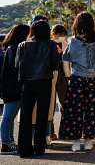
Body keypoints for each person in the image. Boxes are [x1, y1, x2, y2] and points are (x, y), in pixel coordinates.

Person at [58, 12, 95, 152]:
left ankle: (75, 142)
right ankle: (88, 140)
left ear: (77, 24)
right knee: (92, 109)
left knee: (75, 109)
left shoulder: (73, 41)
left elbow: (66, 57)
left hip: (77, 79)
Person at [16, 19, 60, 158]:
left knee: (25, 116)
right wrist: (46, 70)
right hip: (44, 81)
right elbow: (55, 63)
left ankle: (24, 148)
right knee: (42, 115)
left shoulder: (22, 45)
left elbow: (18, 64)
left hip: (27, 83)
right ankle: (39, 147)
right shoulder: (50, 44)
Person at [0, 24, 30, 155]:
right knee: (7, 117)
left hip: (11, 87)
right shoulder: (13, 49)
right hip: (12, 88)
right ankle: (5, 144)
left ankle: (9, 142)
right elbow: (14, 69)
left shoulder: (12, 48)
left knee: (10, 116)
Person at [50, 24, 69, 141]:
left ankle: (65, 130)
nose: (62, 38)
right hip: (51, 75)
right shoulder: (47, 43)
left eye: (64, 36)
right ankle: (50, 131)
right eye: (60, 35)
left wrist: (62, 53)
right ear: (54, 33)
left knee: (65, 102)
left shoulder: (66, 45)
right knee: (50, 104)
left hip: (63, 74)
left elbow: (68, 61)